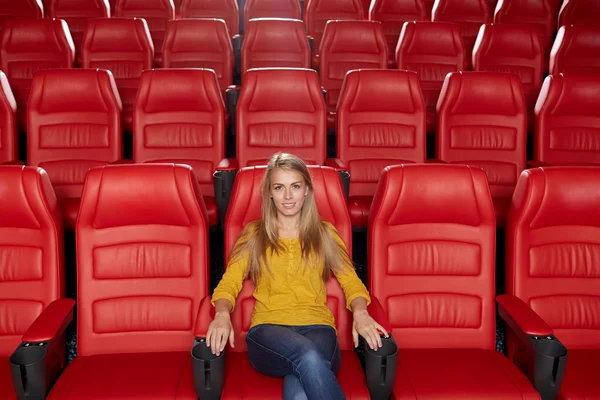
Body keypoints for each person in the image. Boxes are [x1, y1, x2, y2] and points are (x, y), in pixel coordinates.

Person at [206, 153, 388, 400]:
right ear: (270, 193)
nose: (288, 196)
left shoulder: (325, 234)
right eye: (279, 187)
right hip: (268, 331)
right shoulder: (254, 234)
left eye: (296, 186)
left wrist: (360, 311)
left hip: (319, 328)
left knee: (301, 386)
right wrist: (221, 313)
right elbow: (230, 282)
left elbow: (351, 281)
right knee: (309, 357)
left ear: (307, 191)